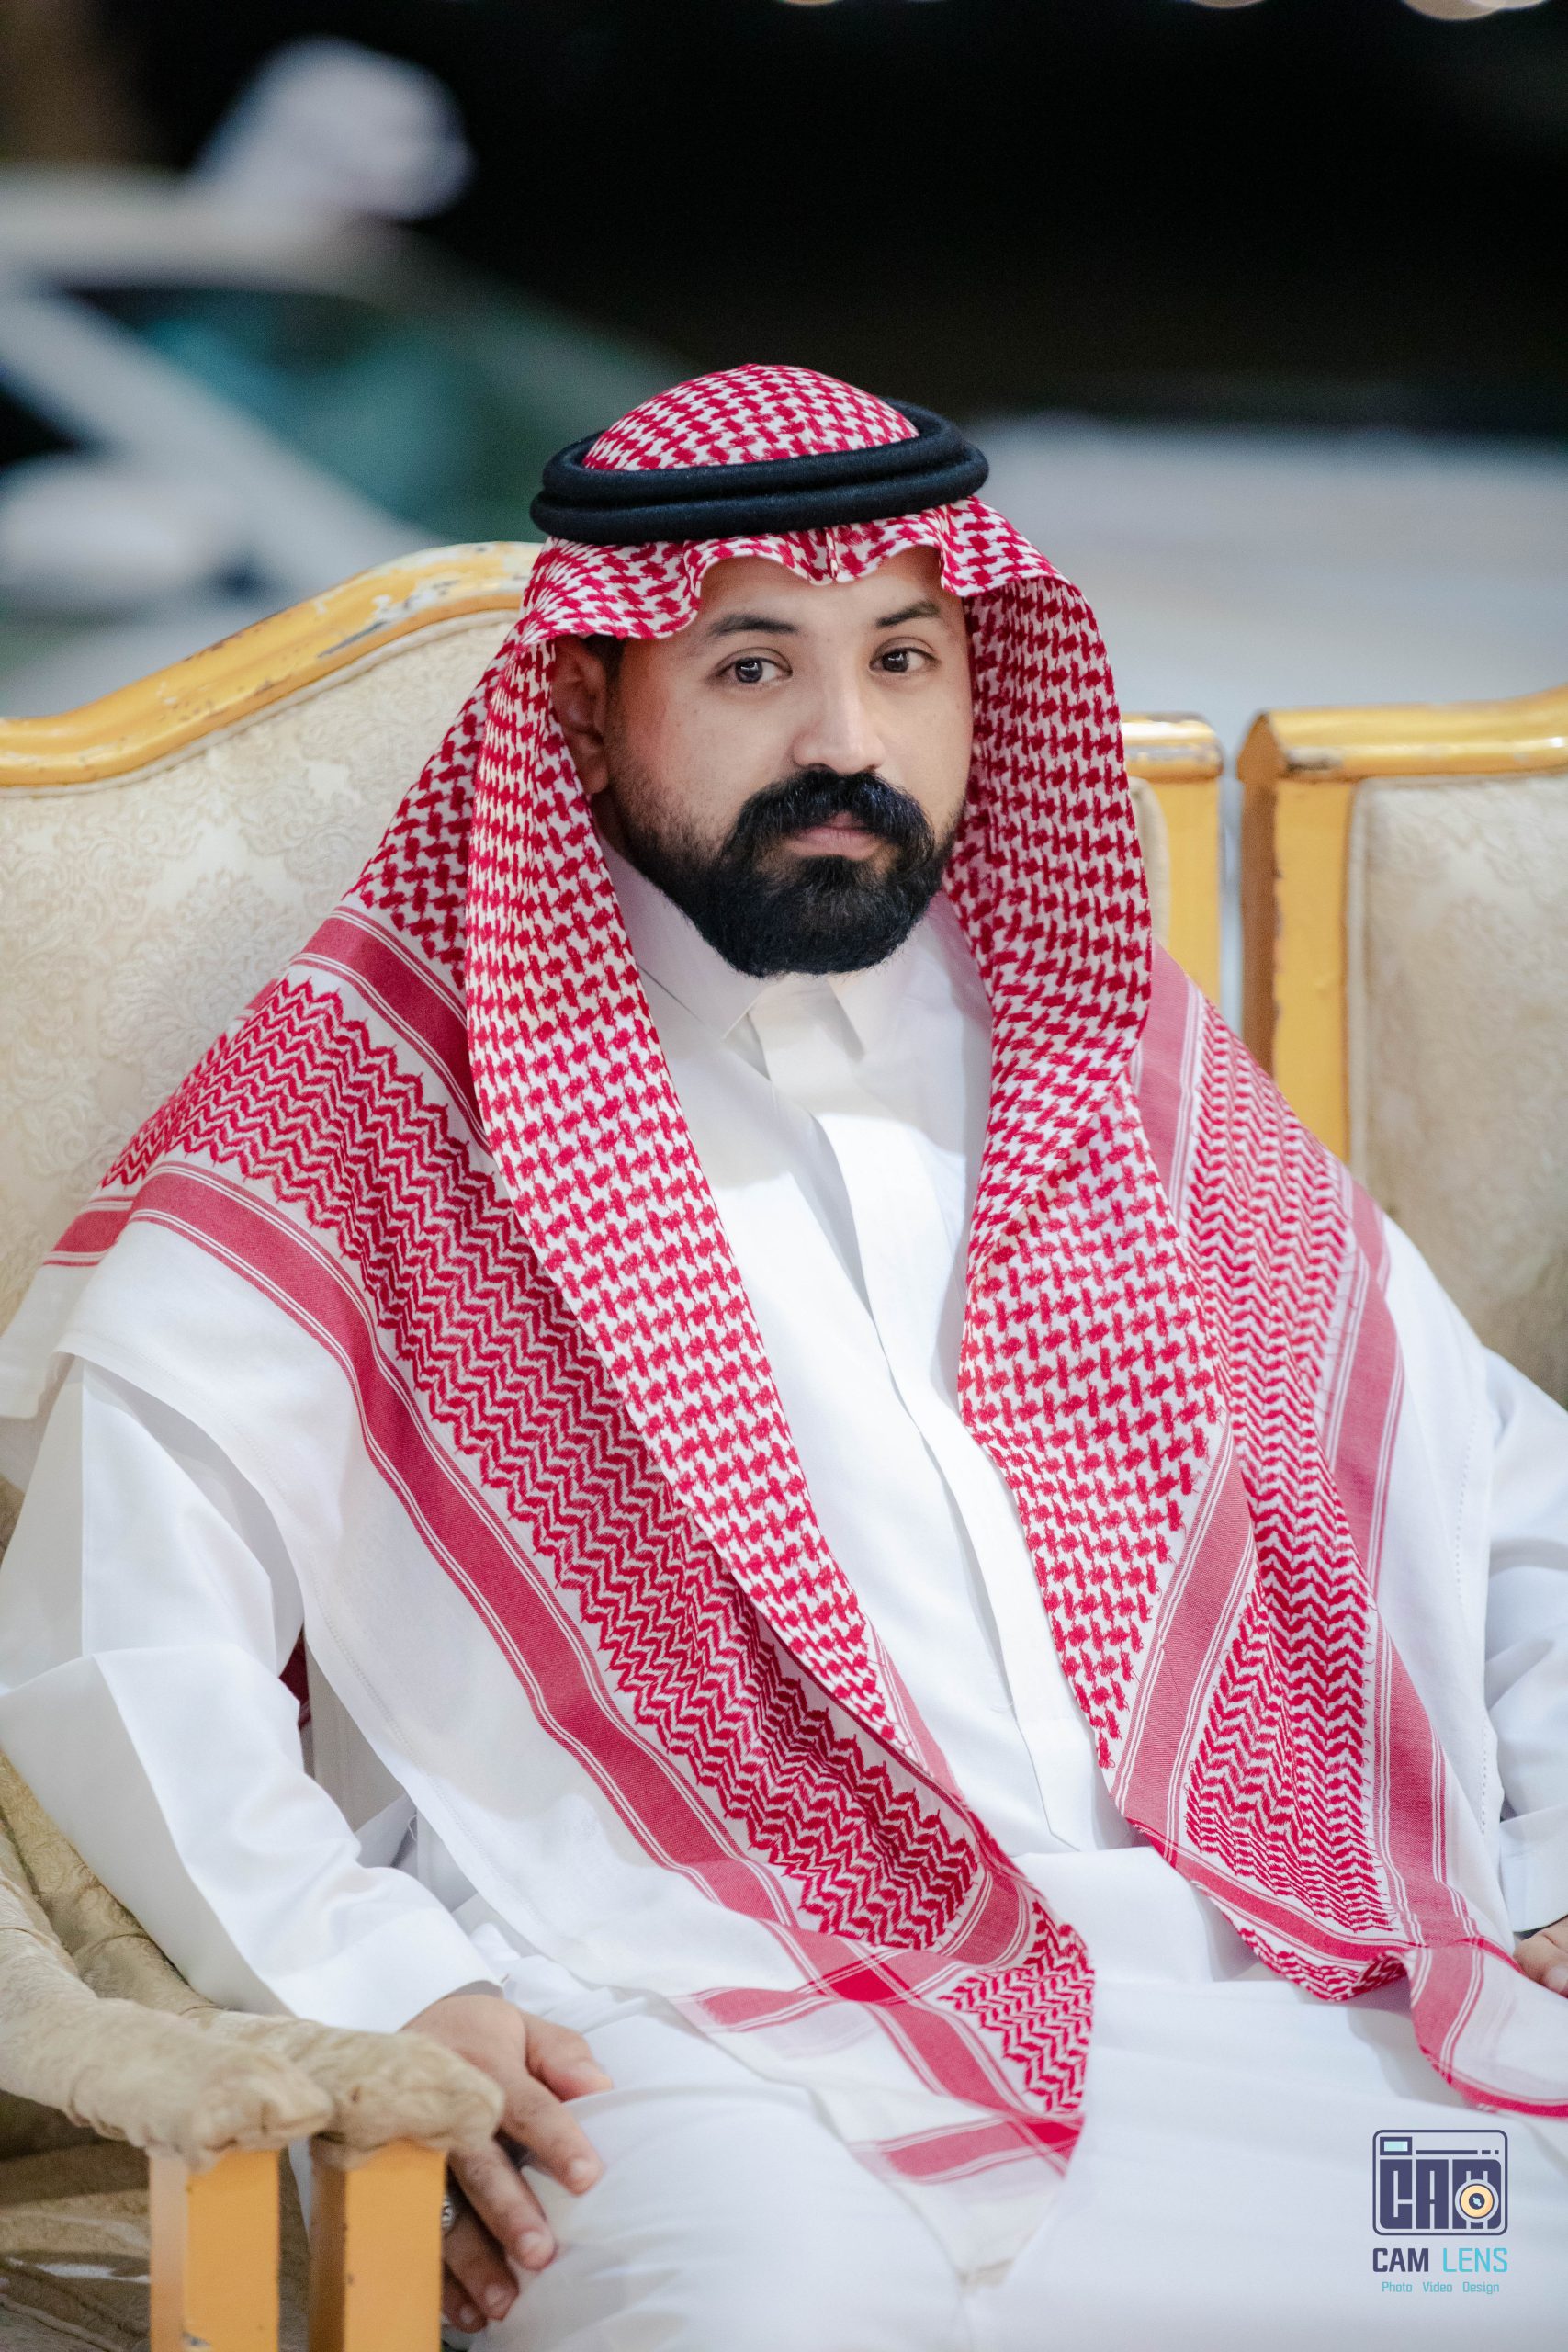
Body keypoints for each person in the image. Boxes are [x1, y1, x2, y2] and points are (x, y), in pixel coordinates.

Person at [0, 364, 1565, 2352]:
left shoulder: (1103, 1054)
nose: (847, 740)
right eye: (753, 669)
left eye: (902, 659)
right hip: (696, 2012)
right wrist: (382, 1990)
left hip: (1293, 1966)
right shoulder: (375, 1107)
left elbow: (1487, 1492)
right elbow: (121, 1637)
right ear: (587, 702)